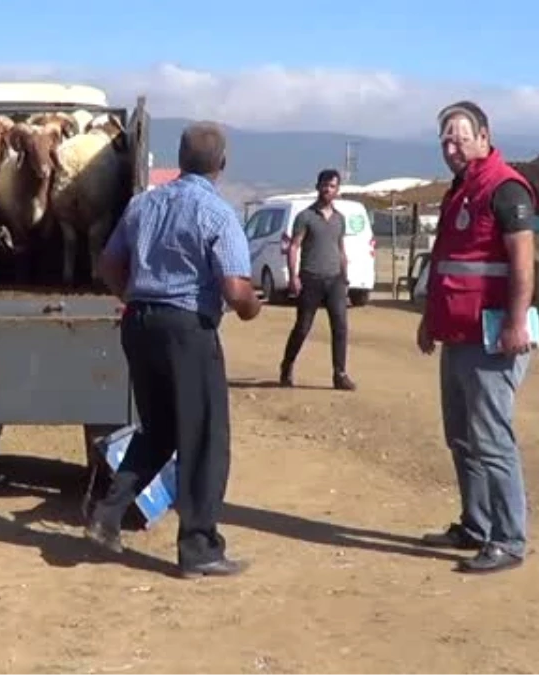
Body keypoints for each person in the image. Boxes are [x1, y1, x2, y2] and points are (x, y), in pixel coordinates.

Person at [85, 121, 262, 578]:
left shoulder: (143, 204)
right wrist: (249, 308)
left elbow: (107, 262)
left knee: (159, 429)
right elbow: (235, 285)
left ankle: (108, 513)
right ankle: (199, 547)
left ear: (180, 161)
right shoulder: (217, 213)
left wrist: (134, 297)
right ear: (221, 165)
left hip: (140, 324)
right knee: (203, 438)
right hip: (187, 330)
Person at [418, 100, 537, 574]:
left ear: (484, 136)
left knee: (491, 440)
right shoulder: (460, 190)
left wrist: (515, 322)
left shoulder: (504, 188)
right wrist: (430, 320)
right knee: (461, 438)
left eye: (459, 137)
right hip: (456, 334)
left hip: (491, 339)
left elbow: (522, 263)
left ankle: (508, 538)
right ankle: (475, 523)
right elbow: (447, 262)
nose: (450, 147)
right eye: (444, 139)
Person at [278, 169, 356, 391]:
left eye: (332, 186)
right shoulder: (305, 216)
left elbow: (341, 250)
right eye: (324, 185)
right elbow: (294, 246)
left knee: (340, 327)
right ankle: (287, 365)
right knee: (303, 327)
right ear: (317, 186)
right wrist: (293, 276)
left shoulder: (340, 219)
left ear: (337, 190)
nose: (327, 189)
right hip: (310, 278)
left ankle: (339, 374)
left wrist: (346, 280)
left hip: (335, 281)